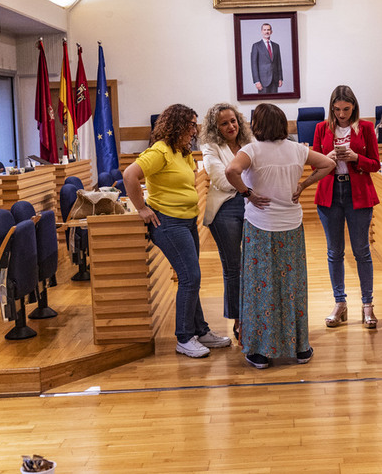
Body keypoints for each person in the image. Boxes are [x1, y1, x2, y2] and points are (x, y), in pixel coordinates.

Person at [225, 103, 335, 369]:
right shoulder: (297, 149)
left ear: (257, 124)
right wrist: (304, 184)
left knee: (259, 288)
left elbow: (231, 171)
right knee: (292, 287)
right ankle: (300, 348)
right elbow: (329, 163)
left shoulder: (250, 150)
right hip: (291, 227)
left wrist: (247, 194)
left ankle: (261, 352)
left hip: (260, 227)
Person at [123, 104, 232, 359]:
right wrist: (141, 208)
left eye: (195, 125)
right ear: (177, 125)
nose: (194, 130)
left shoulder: (181, 152)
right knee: (189, 277)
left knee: (192, 277)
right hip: (168, 223)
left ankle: (200, 330)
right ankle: (184, 337)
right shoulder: (160, 151)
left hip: (186, 221)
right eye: (191, 124)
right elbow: (130, 175)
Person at [313, 85, 382, 329]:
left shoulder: (365, 127)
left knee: (362, 251)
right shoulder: (321, 128)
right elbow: (314, 165)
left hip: (358, 193)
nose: (342, 114)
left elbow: (375, 164)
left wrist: (355, 158)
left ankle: (367, 304)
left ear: (353, 107)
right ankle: (340, 303)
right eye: (337, 109)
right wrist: (327, 157)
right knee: (334, 252)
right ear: (332, 108)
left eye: (346, 109)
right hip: (330, 194)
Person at [200, 103, 254, 340]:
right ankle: (238, 319)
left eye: (233, 121)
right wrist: (249, 187)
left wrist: (249, 190)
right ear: (215, 127)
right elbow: (221, 180)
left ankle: (255, 316)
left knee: (253, 265)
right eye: (224, 123)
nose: (231, 126)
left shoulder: (250, 141)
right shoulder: (210, 147)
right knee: (234, 268)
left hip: (253, 204)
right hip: (226, 208)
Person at [250, 23, 282, 94]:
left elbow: (278, 63)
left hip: (275, 79)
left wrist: (280, 78)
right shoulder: (256, 46)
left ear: (271, 32)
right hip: (262, 81)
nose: (266, 32)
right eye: (264, 30)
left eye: (268, 30)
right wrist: (256, 81)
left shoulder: (276, 46)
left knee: (274, 102)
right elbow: (254, 65)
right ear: (262, 31)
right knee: (264, 103)